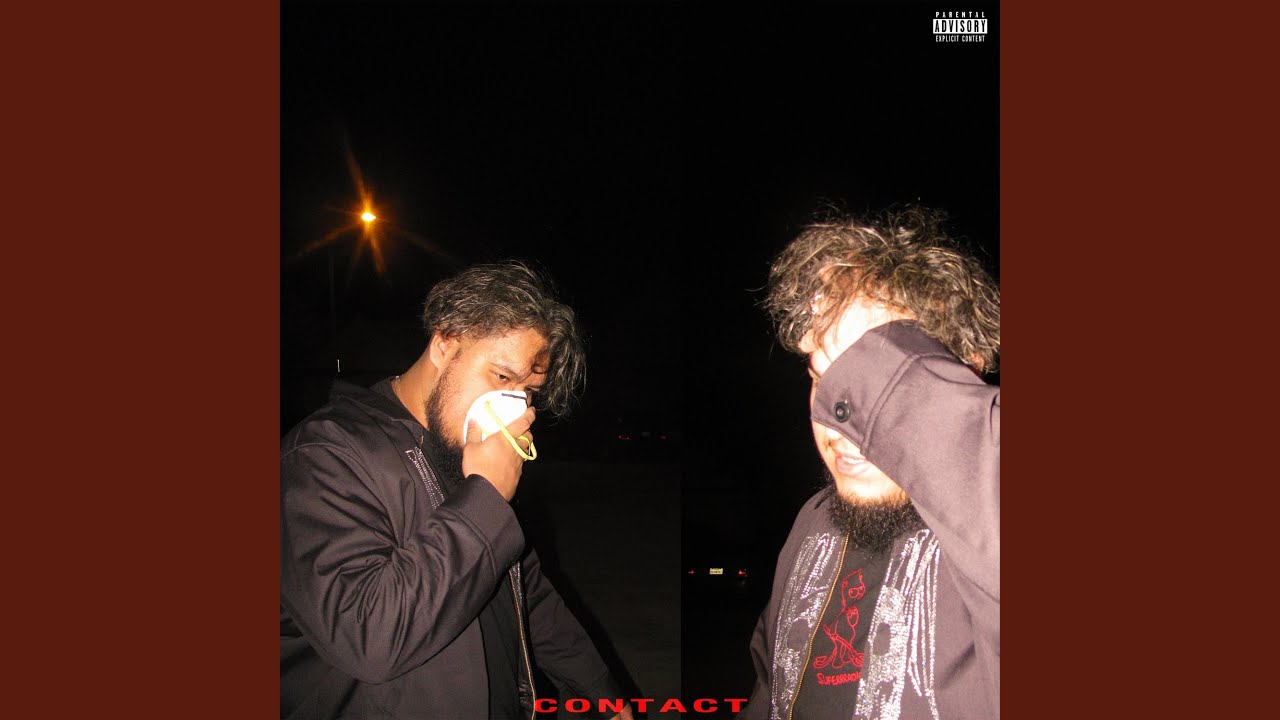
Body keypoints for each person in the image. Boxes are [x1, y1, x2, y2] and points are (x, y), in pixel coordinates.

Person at [281, 261, 632, 720]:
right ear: (445, 343)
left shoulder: (463, 451)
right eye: (501, 378)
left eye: (528, 392)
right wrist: (484, 497)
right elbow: (367, 636)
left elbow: (527, 593)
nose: (515, 409)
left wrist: (601, 693)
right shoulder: (324, 453)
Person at [741, 207, 1000, 719]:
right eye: (822, 378)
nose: (836, 425)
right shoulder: (813, 519)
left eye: (870, 380)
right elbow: (769, 687)